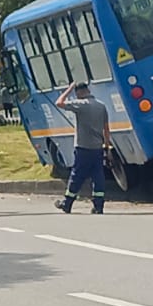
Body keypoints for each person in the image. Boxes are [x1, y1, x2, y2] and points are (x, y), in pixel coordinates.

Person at [55, 80, 111, 214]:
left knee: (77, 175)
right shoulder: (101, 106)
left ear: (79, 92)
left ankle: (67, 203)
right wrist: (107, 148)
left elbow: (59, 102)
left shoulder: (81, 104)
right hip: (97, 148)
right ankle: (98, 206)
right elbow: (106, 129)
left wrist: (68, 89)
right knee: (98, 176)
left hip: (83, 147)